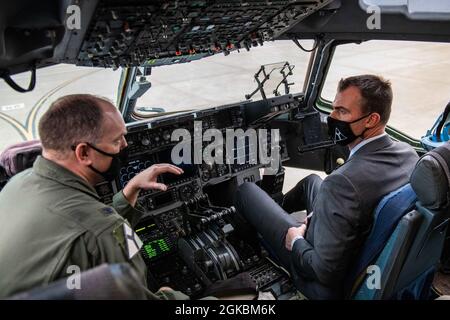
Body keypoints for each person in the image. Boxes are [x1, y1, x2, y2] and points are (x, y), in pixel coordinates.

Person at [234, 75, 420, 299]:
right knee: (311, 182)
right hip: (360, 239)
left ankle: (249, 251)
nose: (331, 117)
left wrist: (296, 238)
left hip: (325, 285)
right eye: (332, 109)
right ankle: (278, 213)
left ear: (371, 120)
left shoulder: (342, 183)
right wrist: (322, 213)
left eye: (341, 111)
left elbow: (323, 271)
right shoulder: (408, 153)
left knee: (246, 192)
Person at [0, 94, 187, 299]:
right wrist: (169, 296)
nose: (125, 145)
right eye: (117, 141)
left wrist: (129, 191)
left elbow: (86, 228)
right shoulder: (103, 230)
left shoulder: (17, 183)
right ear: (84, 153)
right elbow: (98, 231)